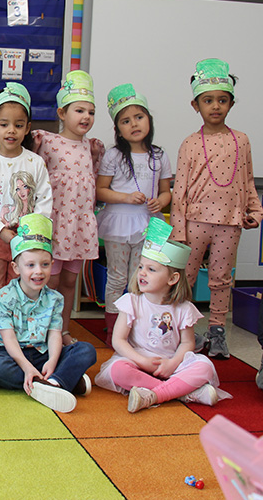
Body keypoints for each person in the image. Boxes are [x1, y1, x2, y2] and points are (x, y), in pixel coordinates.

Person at [171, 59, 262, 359]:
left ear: (231, 103)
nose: (215, 106)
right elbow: (180, 190)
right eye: (208, 101)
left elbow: (247, 180)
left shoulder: (243, 141)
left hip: (229, 223)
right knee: (186, 277)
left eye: (222, 100)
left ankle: (217, 330)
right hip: (195, 223)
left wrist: (254, 210)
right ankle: (183, 330)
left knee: (222, 278)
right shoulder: (190, 143)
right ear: (196, 105)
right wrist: (178, 230)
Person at [95, 217, 230, 412]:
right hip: (138, 361)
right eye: (140, 267)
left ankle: (154, 395)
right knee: (117, 370)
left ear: (173, 278)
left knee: (205, 367)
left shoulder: (183, 308)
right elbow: (119, 340)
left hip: (172, 364)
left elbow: (187, 344)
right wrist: (141, 361)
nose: (142, 273)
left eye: (151, 269)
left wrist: (173, 363)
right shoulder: (131, 302)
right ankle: (183, 393)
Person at [0, 213, 97, 413]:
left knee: (86, 350)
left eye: (45, 265)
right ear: (16, 268)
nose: (38, 271)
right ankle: (60, 381)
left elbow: (54, 334)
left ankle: (52, 381)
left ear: (52, 266)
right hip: (11, 354)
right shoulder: (2, 298)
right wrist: (26, 367)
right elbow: (8, 339)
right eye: (31, 265)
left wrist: (52, 362)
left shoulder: (55, 299)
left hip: (42, 353)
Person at [96, 84, 172, 345]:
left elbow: (166, 192)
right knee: (117, 277)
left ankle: (136, 327)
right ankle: (111, 327)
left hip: (147, 223)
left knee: (141, 278)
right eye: (126, 121)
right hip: (119, 223)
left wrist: (159, 202)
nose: (134, 125)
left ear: (149, 119)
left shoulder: (159, 155)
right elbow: (101, 190)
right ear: (118, 130)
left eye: (139, 117)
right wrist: (126, 197)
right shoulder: (114, 155)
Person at [33, 70, 105, 345]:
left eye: (91, 111)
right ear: (62, 113)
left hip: (78, 226)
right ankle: (41, 330)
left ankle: (62, 331)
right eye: (79, 110)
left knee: (69, 285)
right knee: (47, 282)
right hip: (54, 224)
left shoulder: (93, 147)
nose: (86, 116)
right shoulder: (47, 142)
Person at [0, 83, 52, 328]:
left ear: (27, 128)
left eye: (18, 125)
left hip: (28, 239)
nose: (11, 131)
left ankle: (20, 337)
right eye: (5, 124)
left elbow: (45, 199)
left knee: (24, 289)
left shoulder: (35, 162)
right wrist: (1, 231)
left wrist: (33, 231)